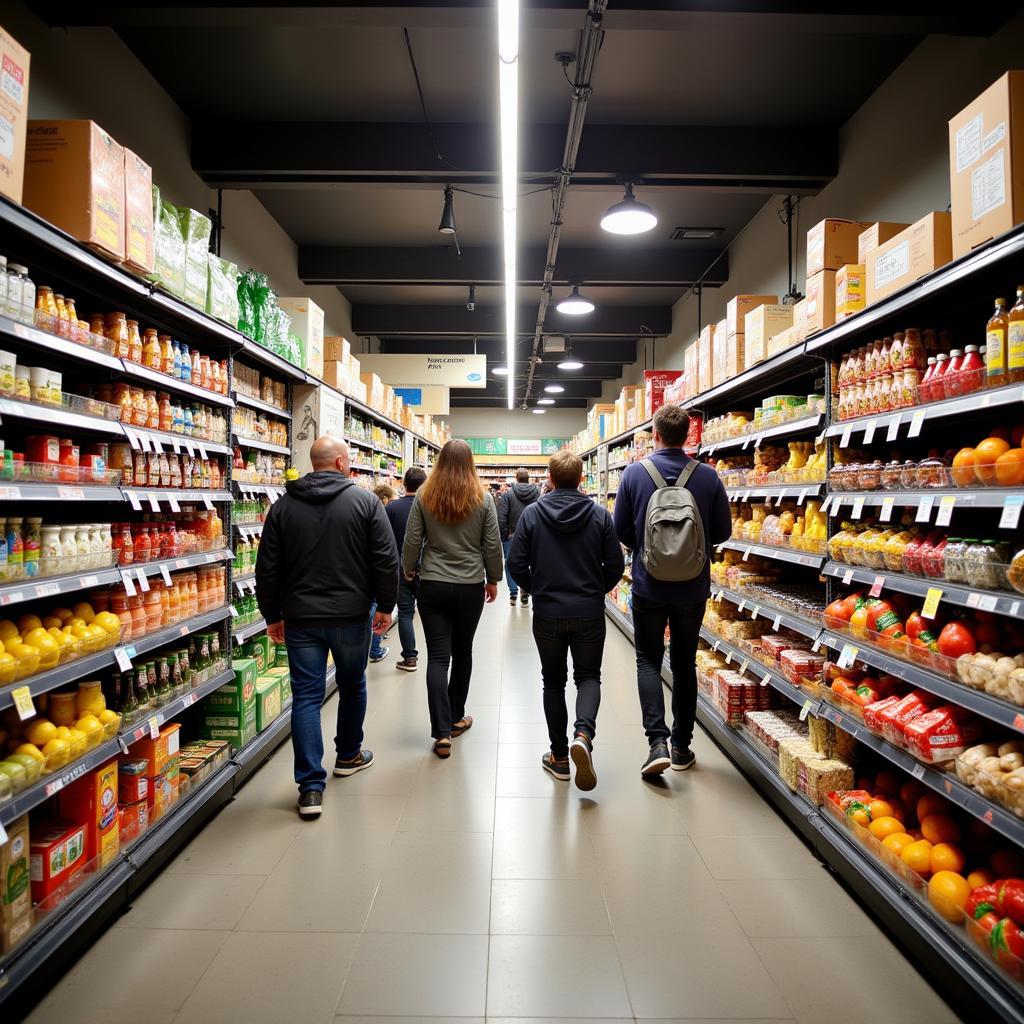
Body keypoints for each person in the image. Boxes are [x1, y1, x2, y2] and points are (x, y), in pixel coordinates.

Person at [256, 435, 399, 818]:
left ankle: (310, 788)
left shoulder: (283, 507)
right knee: (353, 685)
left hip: (301, 618)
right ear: (339, 463)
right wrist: (385, 605)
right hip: (351, 616)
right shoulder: (366, 503)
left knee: (305, 697)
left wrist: (272, 614)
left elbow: (266, 567)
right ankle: (348, 754)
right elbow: (385, 558)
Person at [613, 403, 731, 778]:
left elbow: (622, 531)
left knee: (648, 659)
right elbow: (724, 531)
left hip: (649, 584)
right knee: (684, 663)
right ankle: (681, 745)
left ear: (656, 436)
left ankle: (656, 743)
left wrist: (648, 552)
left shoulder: (634, 474)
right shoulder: (708, 477)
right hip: (693, 587)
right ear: (688, 436)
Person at [507, 450, 624, 790]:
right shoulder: (601, 516)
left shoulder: (531, 515)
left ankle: (559, 758)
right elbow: (615, 566)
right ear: (582, 480)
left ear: (551, 479)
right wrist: (594, 590)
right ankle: (583, 734)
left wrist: (537, 590)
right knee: (588, 677)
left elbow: (514, 564)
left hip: (548, 613)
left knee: (553, 682)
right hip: (588, 611)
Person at [402, 439, 503, 758]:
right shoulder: (483, 498)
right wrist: (493, 578)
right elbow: (492, 543)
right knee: (463, 652)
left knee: (438, 657)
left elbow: (412, 537)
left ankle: (441, 732)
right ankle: (456, 716)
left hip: (432, 583)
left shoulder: (424, 495)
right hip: (469, 585)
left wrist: (408, 567)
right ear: (470, 463)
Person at [385, 466, 427, 672]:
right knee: (431, 612)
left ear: (404, 484)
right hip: (428, 569)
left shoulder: (392, 508)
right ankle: (438, 654)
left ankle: (410, 657)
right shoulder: (430, 506)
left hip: (400, 569)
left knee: (405, 613)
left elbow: (384, 541)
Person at [498, 468, 540, 607]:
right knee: (532, 564)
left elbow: (502, 517)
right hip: (533, 535)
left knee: (511, 564)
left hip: (512, 535)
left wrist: (504, 536)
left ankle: (513, 593)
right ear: (528, 479)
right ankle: (525, 592)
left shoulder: (507, 495)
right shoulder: (538, 493)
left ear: (516, 478)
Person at [368, 482, 396, 664]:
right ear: (384, 499)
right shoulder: (378, 512)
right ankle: (375, 648)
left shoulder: (365, 508)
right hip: (377, 571)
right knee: (374, 606)